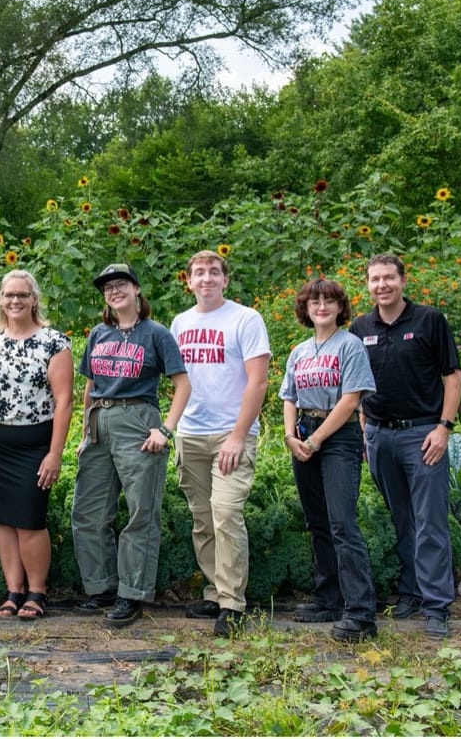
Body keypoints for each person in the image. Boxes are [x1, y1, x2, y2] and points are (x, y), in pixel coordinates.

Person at [350, 252, 461, 639]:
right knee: (402, 519)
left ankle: (436, 606)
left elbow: (453, 376)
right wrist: (363, 422)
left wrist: (444, 427)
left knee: (430, 521)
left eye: (389, 278)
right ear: (368, 285)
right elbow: (355, 381)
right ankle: (412, 592)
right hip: (380, 436)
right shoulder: (359, 327)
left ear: (403, 280)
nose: (382, 285)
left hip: (423, 435)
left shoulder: (429, 320)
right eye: (375, 279)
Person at [71, 263, 190, 627]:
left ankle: (132, 594)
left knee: (140, 512)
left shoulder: (156, 333)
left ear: (137, 289)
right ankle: (102, 587)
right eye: (108, 287)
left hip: (138, 421)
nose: (114, 291)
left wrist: (165, 429)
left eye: (121, 284)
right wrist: (84, 433)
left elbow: (183, 385)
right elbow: (89, 385)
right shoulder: (99, 334)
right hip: (99, 421)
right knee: (88, 510)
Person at [170, 250, 270, 636]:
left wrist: (238, 436)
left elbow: (258, 381)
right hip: (191, 433)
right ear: (189, 281)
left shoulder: (245, 319)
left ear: (225, 280)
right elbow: (178, 380)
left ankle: (232, 603)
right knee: (203, 519)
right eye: (199, 272)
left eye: (214, 272)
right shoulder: (180, 323)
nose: (207, 278)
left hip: (232, 434)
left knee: (226, 514)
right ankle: (214, 591)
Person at [0, 270, 73, 620]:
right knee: (3, 521)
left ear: (34, 299)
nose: (15, 300)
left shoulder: (54, 342)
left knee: (29, 520)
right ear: (0, 299)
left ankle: (37, 592)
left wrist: (55, 454)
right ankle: (13, 591)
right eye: (9, 294)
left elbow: (64, 402)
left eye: (22, 295)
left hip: (34, 447)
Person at [279, 278, 378, 642]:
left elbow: (351, 400)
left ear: (340, 307)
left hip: (338, 437)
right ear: (305, 309)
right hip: (304, 434)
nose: (321, 307)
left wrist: (317, 439)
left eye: (329, 301)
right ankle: (328, 598)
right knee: (317, 521)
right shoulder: (300, 351)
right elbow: (289, 397)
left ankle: (361, 613)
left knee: (342, 524)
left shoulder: (350, 346)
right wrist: (291, 437)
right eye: (314, 301)